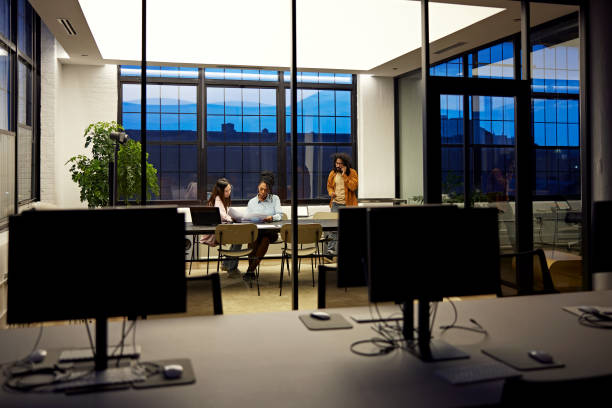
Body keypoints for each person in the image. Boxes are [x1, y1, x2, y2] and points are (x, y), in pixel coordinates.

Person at [244, 171, 283, 281]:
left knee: (265, 239)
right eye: (261, 189)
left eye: (266, 190)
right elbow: (247, 217)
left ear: (269, 190)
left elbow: (279, 215)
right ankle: (251, 270)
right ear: (258, 187)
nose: (263, 192)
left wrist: (271, 218)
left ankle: (250, 270)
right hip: (257, 231)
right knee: (252, 240)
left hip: (270, 232)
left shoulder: (275, 199)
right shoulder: (252, 202)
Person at [200, 178, 242, 278]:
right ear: (220, 191)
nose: (229, 192)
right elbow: (222, 215)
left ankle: (227, 264)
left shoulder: (221, 198)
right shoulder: (217, 199)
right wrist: (232, 218)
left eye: (230, 190)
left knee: (239, 238)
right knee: (240, 238)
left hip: (222, 229)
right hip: (217, 232)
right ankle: (231, 268)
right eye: (226, 191)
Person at [326, 153, 358, 256]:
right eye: (337, 163)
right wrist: (331, 193)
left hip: (348, 205)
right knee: (333, 228)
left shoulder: (352, 173)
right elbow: (329, 187)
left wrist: (344, 175)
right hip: (335, 204)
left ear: (345, 164)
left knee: (349, 228)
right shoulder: (332, 173)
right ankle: (331, 250)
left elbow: (353, 187)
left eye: (340, 164)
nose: (338, 165)